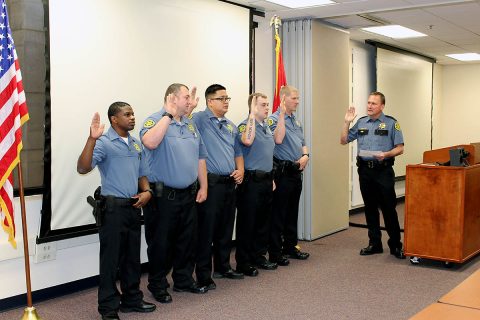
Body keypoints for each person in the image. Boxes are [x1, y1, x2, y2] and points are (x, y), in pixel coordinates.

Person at [77, 102, 156, 320]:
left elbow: (142, 173)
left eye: (133, 113)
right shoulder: (103, 143)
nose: (132, 117)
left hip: (133, 207)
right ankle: (108, 307)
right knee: (111, 260)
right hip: (113, 209)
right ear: (114, 119)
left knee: (132, 257)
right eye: (127, 114)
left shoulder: (135, 144)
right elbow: (83, 168)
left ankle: (132, 299)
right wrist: (91, 139)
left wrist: (147, 191)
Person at [140, 83, 209, 305]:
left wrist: (204, 187)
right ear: (172, 98)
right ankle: (158, 285)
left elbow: (200, 157)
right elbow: (149, 142)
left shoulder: (189, 125)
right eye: (186, 97)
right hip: (164, 197)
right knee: (161, 244)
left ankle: (183, 280)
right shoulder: (155, 120)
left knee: (187, 241)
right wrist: (168, 115)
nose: (190, 102)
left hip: (188, 195)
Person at [340, 91, 405, 259]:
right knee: (370, 209)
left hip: (383, 171)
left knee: (388, 209)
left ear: (382, 106)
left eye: (373, 103)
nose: (369, 106)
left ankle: (396, 245)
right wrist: (346, 123)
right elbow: (343, 140)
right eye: (368, 103)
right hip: (365, 171)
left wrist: (387, 154)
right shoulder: (361, 122)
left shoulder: (391, 123)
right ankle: (374, 244)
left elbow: (400, 148)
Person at [192, 84, 244, 289]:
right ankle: (204, 275)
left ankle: (223, 267)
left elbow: (238, 151)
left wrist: (241, 170)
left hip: (229, 183)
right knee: (206, 231)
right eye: (222, 98)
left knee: (225, 227)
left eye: (227, 98)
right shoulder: (200, 119)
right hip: (210, 184)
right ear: (209, 101)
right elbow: (184, 121)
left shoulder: (230, 125)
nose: (226, 102)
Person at [235, 93, 278, 276]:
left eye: (268, 104)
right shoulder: (246, 125)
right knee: (248, 223)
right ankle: (243, 263)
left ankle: (259, 256)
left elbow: (267, 154)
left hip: (267, 180)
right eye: (262, 105)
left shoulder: (267, 127)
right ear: (253, 107)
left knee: (263, 222)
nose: (267, 108)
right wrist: (252, 115)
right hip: (251, 181)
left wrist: (272, 178)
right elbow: (247, 140)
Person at [267, 85, 310, 266]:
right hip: (282, 172)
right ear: (283, 99)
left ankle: (291, 247)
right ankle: (275, 252)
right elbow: (278, 139)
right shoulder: (273, 119)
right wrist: (282, 115)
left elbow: (303, 142)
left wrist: (306, 156)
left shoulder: (296, 121)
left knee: (292, 212)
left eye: (298, 98)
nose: (298, 101)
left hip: (296, 171)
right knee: (279, 214)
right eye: (294, 98)